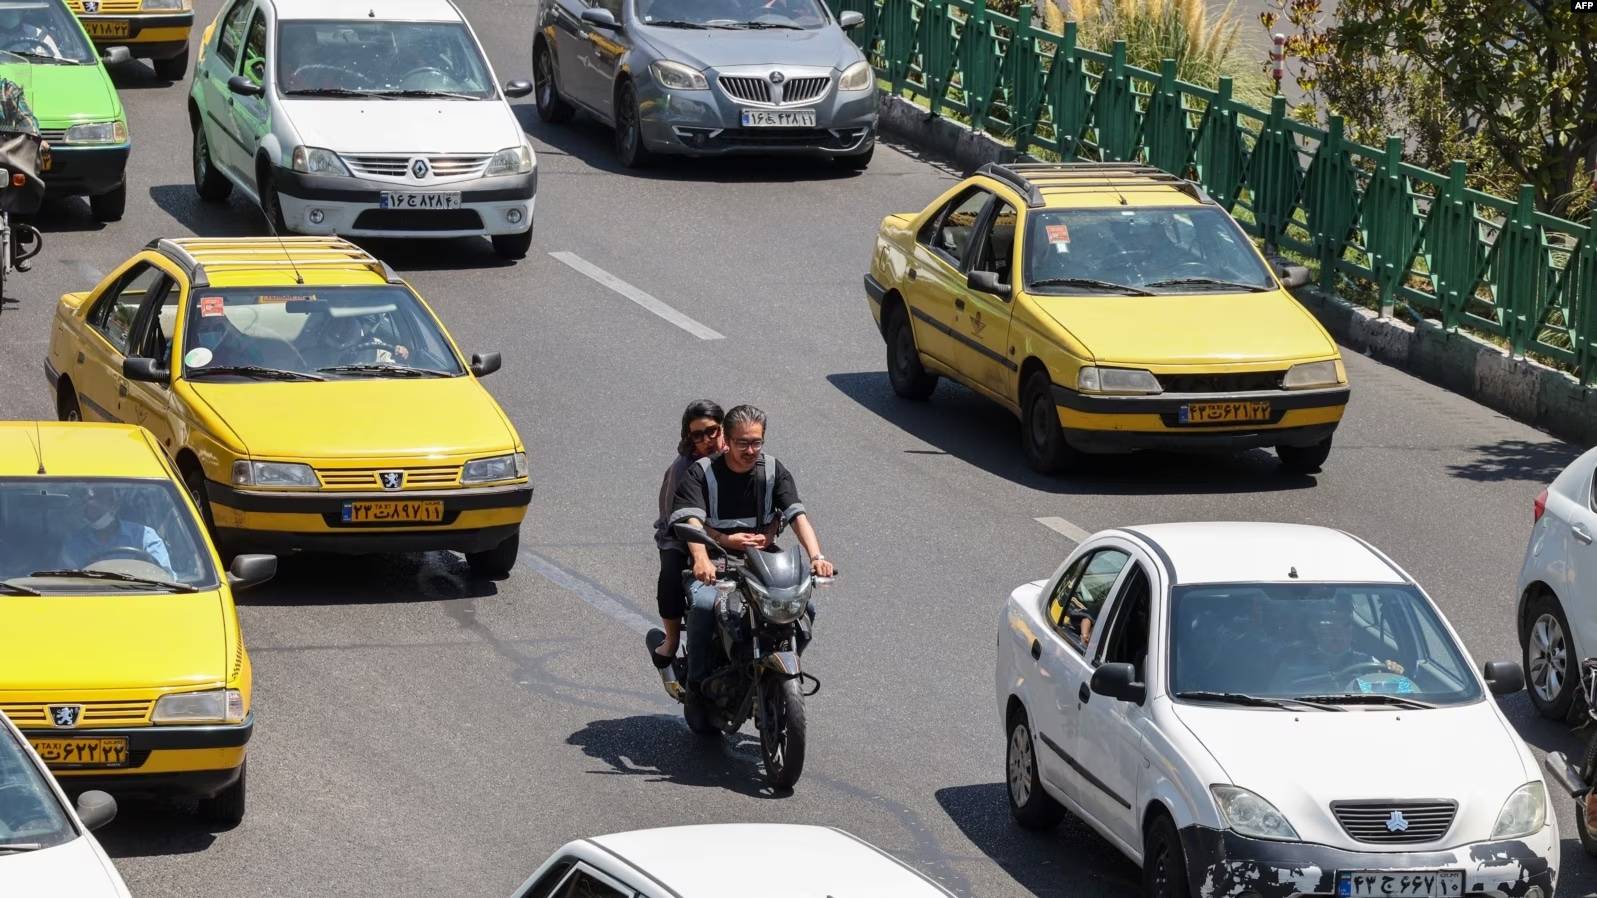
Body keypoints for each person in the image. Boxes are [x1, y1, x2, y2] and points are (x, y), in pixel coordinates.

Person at [667, 404, 835, 693]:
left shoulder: (772, 470)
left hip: (762, 561)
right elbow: (690, 521)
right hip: (717, 559)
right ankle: (697, 684)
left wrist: (817, 557)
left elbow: (798, 516)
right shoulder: (701, 472)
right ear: (727, 440)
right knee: (705, 606)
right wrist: (702, 558)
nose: (750, 450)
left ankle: (780, 665)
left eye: (756, 442)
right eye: (742, 443)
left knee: (804, 606)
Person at [646, 400, 726, 696]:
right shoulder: (684, 469)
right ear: (688, 437)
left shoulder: (738, 457)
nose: (707, 440)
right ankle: (669, 643)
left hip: (727, 538)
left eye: (712, 431)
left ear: (723, 429)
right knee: (671, 575)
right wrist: (709, 542)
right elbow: (676, 521)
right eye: (698, 435)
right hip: (680, 537)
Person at [1271, 600, 1404, 691]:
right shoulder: (1293, 665)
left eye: (1345, 625)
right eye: (1329, 626)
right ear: (1314, 629)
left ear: (1352, 630)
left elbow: (1395, 693)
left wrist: (1394, 674)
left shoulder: (1369, 663)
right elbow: (1274, 702)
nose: (1338, 633)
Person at [59, 486, 174, 577]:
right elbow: (65, 581)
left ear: (115, 503)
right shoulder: (74, 544)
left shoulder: (145, 537)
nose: (91, 504)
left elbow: (165, 577)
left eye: (99, 499)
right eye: (89, 508)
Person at [313, 310, 409, 366]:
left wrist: (400, 353)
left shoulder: (376, 346)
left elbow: (391, 366)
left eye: (349, 322)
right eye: (340, 321)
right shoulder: (319, 347)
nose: (344, 327)